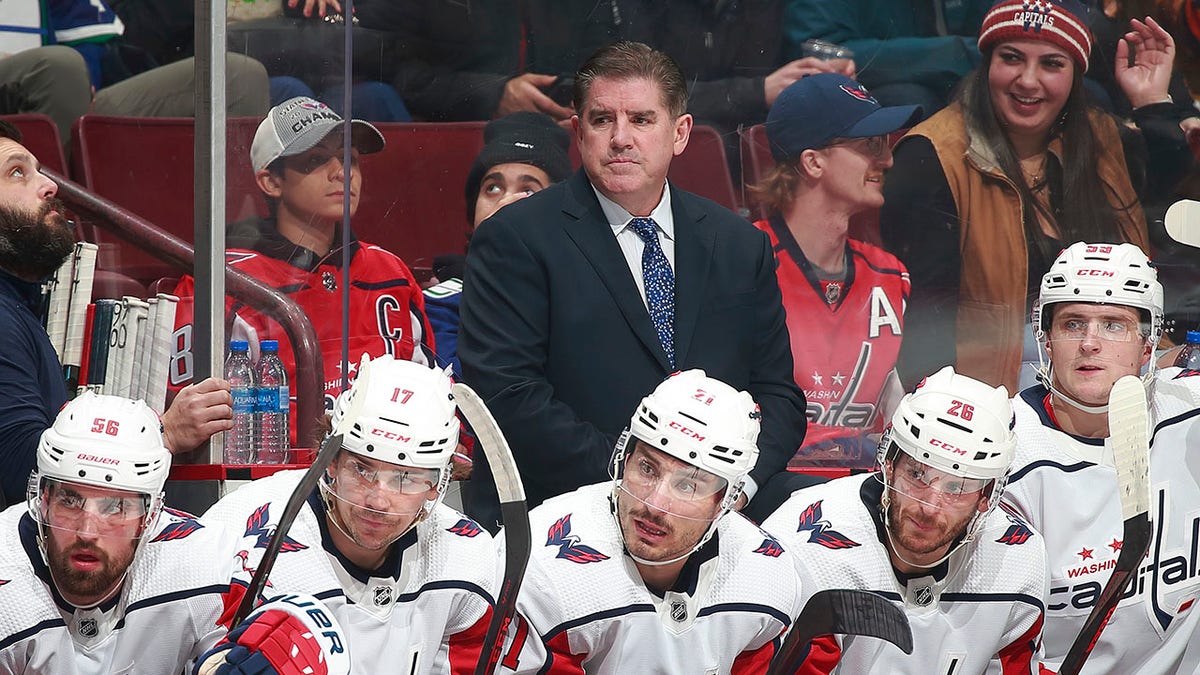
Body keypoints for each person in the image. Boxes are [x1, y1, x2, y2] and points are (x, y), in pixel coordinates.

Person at [458, 41, 806, 530]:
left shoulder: (739, 245)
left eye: (641, 120)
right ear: (578, 133)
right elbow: (508, 395)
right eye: (602, 120)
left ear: (680, 133)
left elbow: (778, 396)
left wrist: (732, 486)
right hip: (566, 515)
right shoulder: (514, 237)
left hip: (719, 516)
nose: (621, 138)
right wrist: (641, 487)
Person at [879, 0, 1191, 393]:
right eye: (1011, 58)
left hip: (1112, 377)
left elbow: (1168, 186)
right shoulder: (931, 155)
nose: (1028, 80)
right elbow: (924, 322)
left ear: (1075, 76)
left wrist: (1151, 102)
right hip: (991, 396)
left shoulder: (1096, 136)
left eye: (1051, 64)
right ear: (987, 62)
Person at [201, 354, 500, 673]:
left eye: (406, 478)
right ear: (329, 460)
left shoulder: (465, 553)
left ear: (436, 484)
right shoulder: (238, 534)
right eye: (361, 469)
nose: (378, 500)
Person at [498, 370, 804, 673]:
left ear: (726, 499)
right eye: (647, 468)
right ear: (624, 457)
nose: (655, 505)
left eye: (688, 486)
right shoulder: (541, 564)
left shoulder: (765, 573)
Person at [170, 96, 435, 443]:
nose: (342, 172)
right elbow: (185, 414)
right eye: (316, 159)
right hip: (266, 480)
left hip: (381, 472)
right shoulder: (220, 280)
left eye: (349, 158)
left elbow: (429, 396)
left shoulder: (390, 271)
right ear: (271, 182)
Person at [0, 120, 230, 508]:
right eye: (17, 172)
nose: (49, 185)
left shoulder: (16, 306)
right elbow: (28, 474)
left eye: (38, 170)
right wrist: (162, 434)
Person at [763, 366, 1049, 672]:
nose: (930, 506)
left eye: (957, 487)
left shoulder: (1017, 556)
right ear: (888, 463)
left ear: (987, 496)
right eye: (917, 474)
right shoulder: (808, 542)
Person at [1002, 242, 1200, 672]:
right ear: (1047, 339)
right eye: (1073, 323)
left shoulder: (1190, 409)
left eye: (1113, 325)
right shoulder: (1003, 454)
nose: (1090, 343)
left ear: (1148, 344)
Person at [750, 73, 918, 474]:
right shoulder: (743, 260)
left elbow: (898, 414)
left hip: (866, 494)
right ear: (813, 161)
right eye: (870, 145)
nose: (888, 160)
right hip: (766, 492)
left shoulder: (891, 275)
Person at [0, 392, 241, 671]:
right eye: (69, 501)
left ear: (150, 516)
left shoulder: (208, 561)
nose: (87, 533)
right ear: (42, 500)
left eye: (116, 507)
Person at [423, 111, 573, 377]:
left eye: (528, 190)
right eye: (492, 188)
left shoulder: (581, 298)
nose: (505, 202)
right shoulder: (439, 304)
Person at [782, 0, 994, 113]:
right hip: (865, 92)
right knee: (909, 101)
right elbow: (822, 54)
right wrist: (956, 54)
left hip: (949, 78)